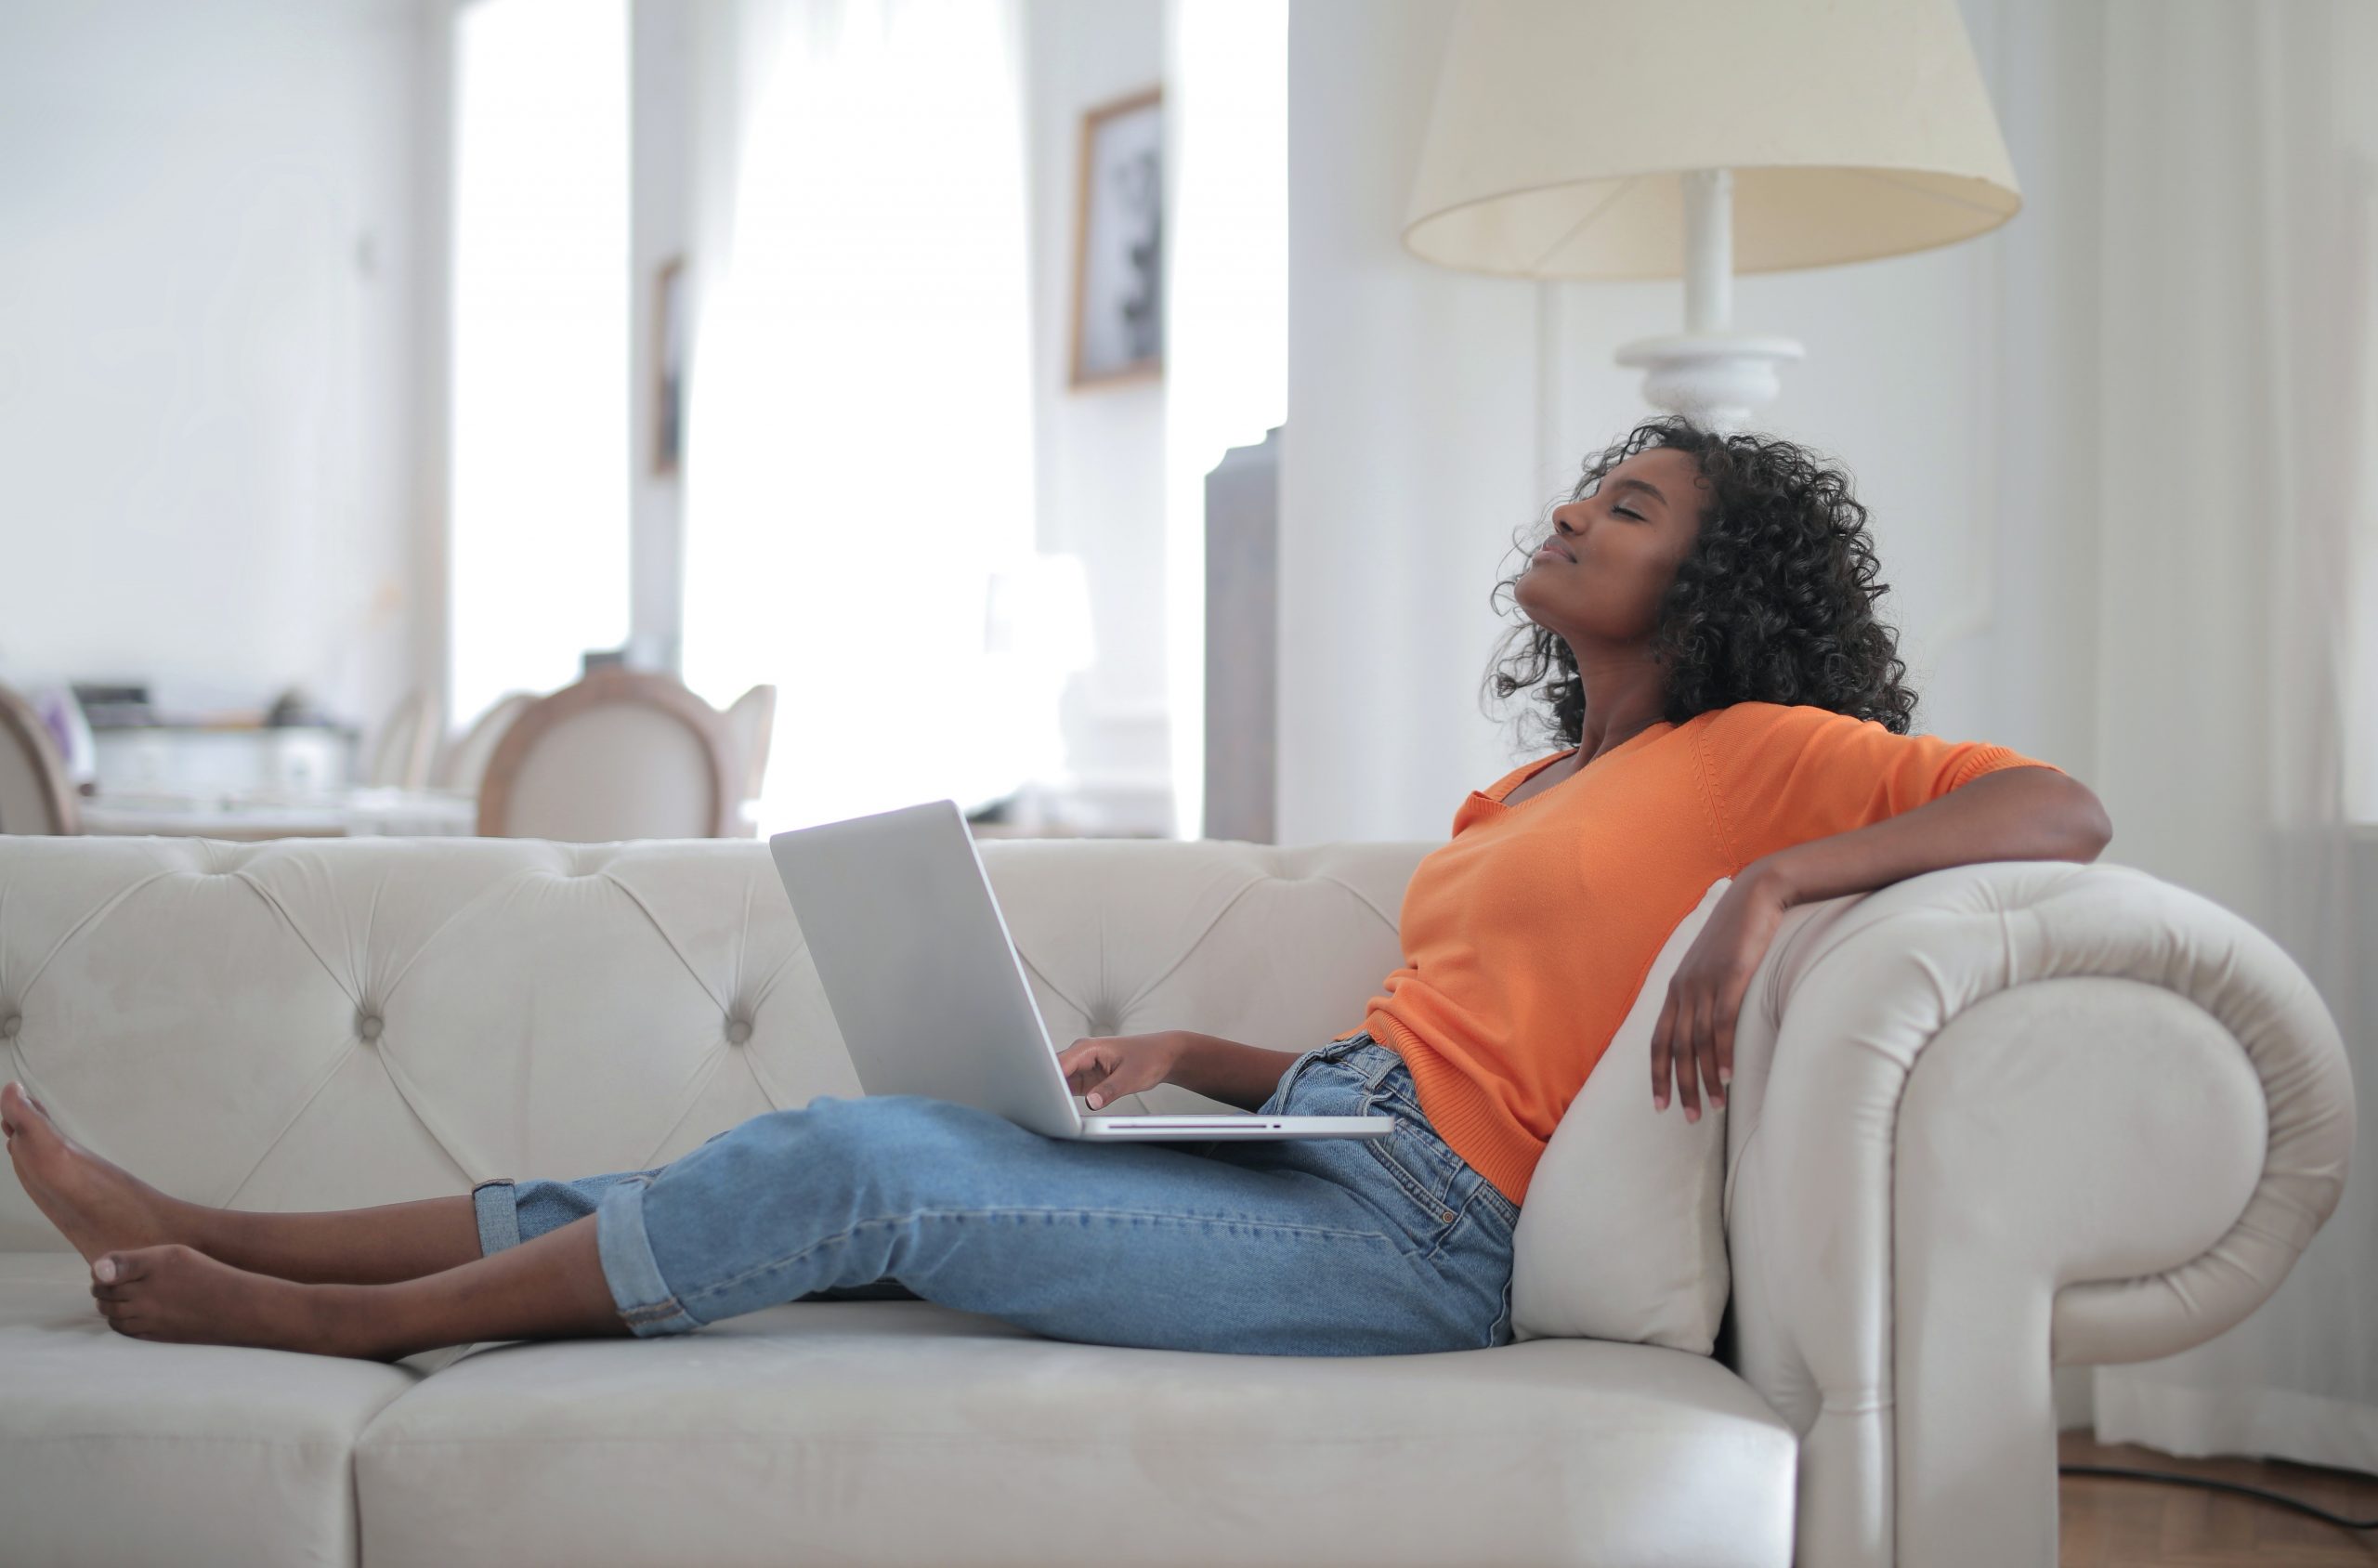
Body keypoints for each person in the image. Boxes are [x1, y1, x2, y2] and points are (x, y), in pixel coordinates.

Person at [0, 415, 2110, 1364]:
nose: (1570, 509)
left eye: (1626, 502)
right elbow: (1445, 1053)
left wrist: (1765, 891)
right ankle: (207, 1220)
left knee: (857, 1168)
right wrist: (1201, 1055)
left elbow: (2058, 809)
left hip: (1423, 1252)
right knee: (787, 1153)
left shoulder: (1760, 757)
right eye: (1582, 483)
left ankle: (314, 1322)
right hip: (1330, 1150)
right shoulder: (1516, 792)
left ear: (1709, 578)